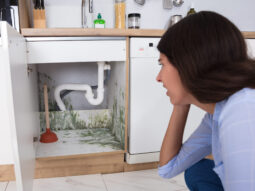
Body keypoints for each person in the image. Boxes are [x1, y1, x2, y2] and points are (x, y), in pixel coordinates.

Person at [156, 11, 255, 191]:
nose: (158, 77)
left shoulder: (243, 109)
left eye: (162, 64)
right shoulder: (217, 113)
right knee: (197, 170)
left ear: (187, 63)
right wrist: (181, 102)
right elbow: (167, 169)